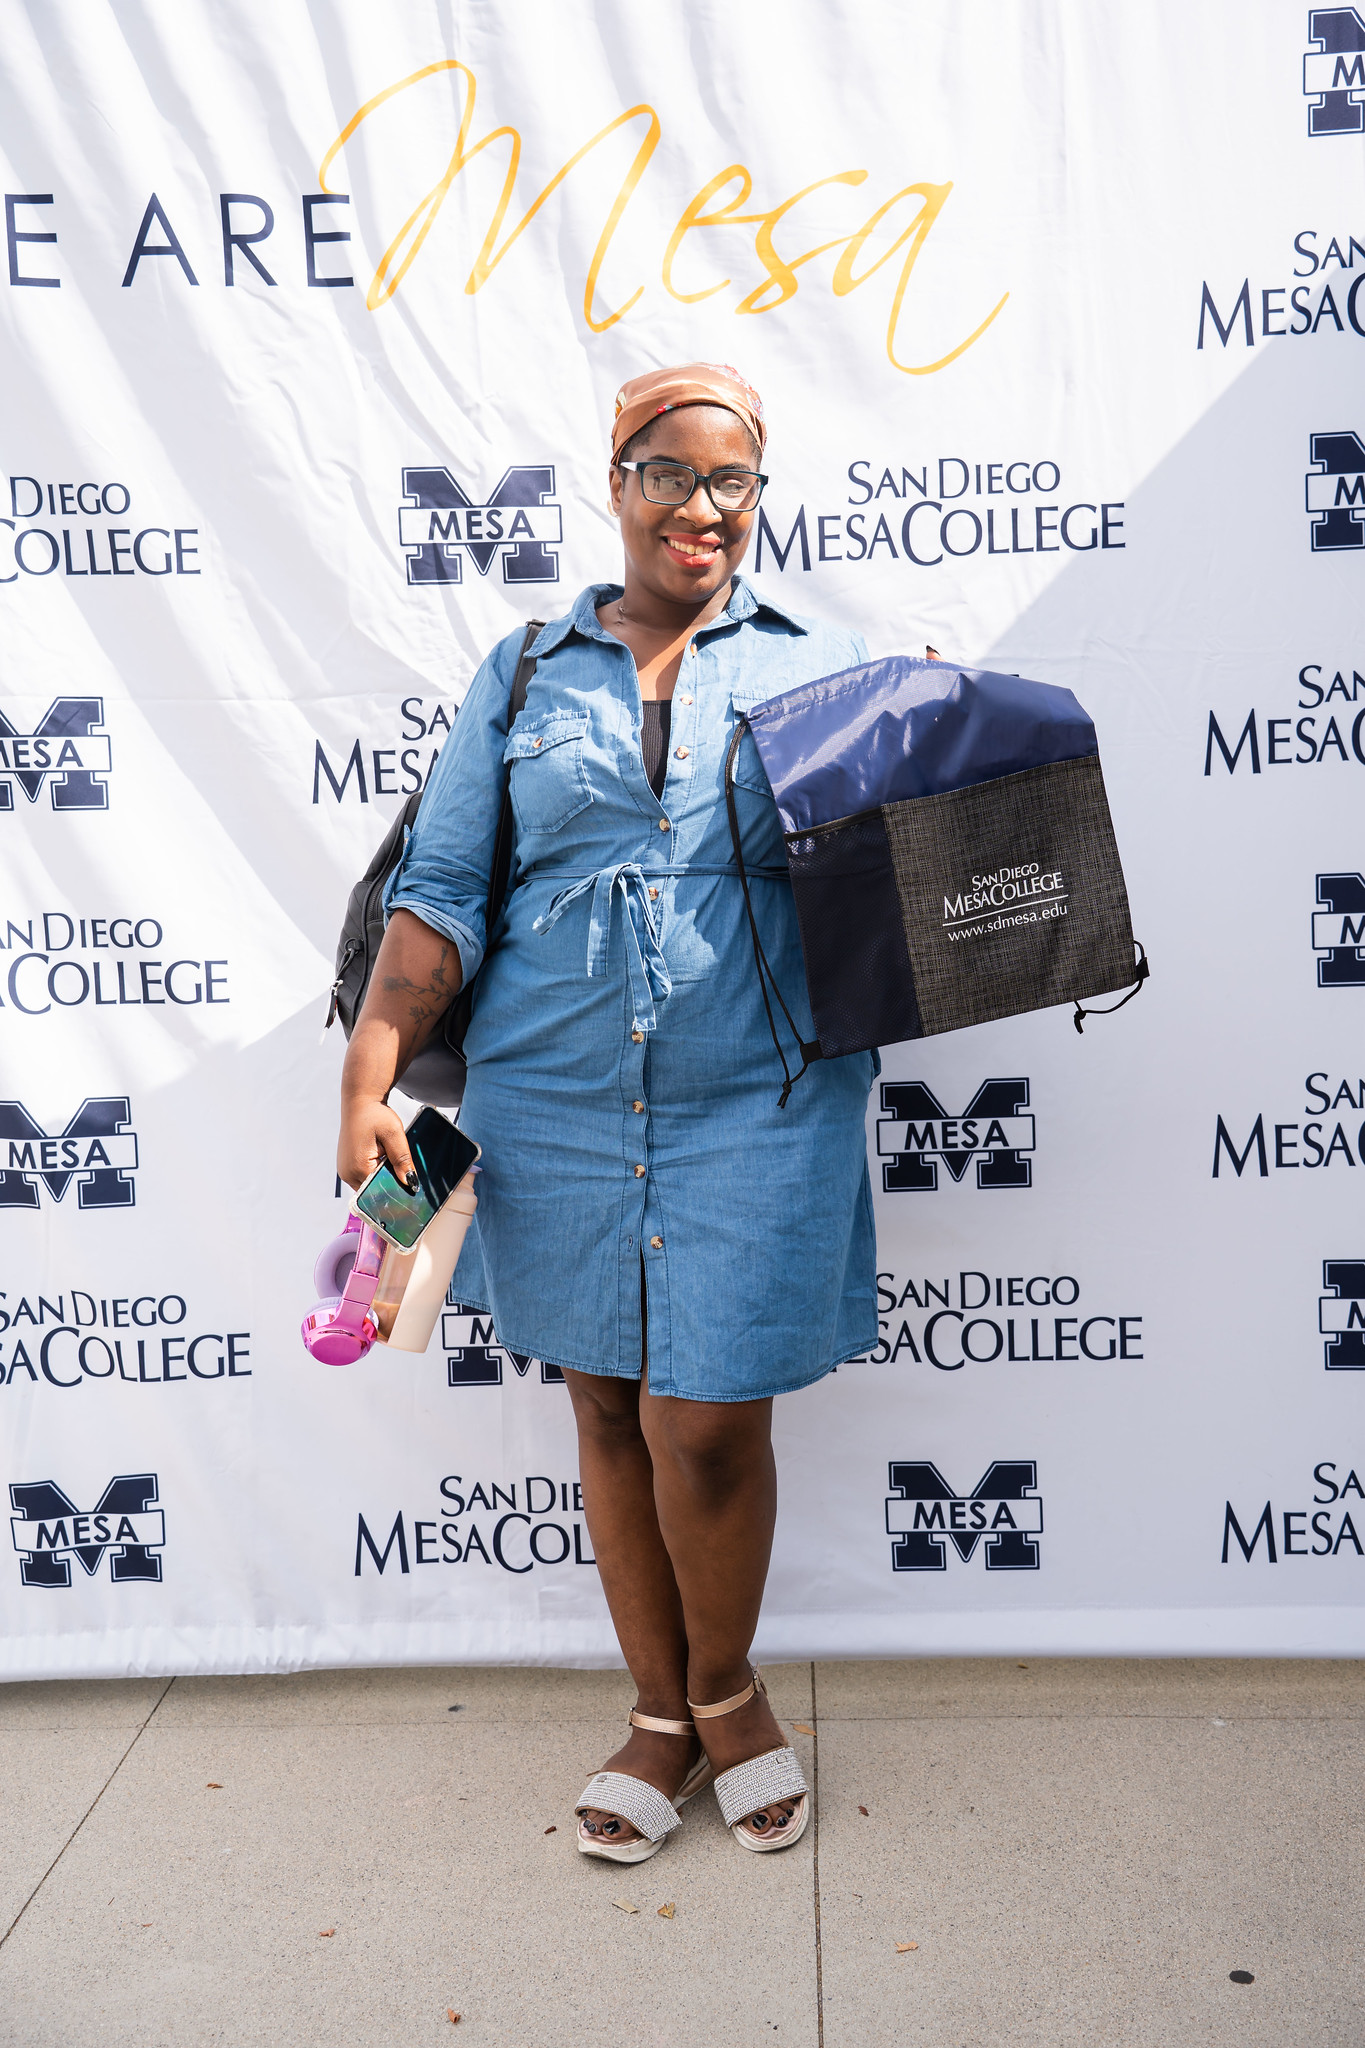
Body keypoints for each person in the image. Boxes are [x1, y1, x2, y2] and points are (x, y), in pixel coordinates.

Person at [337, 363, 878, 1862]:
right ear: (616, 480)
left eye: (732, 484)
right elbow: (439, 892)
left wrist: (944, 756)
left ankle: (724, 1693)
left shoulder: (827, 668)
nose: (702, 510)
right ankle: (660, 1713)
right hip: (558, 1094)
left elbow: (895, 895)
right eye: (669, 474)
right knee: (605, 1404)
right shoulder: (525, 671)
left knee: (705, 1415)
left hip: (758, 1092)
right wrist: (368, 1070)